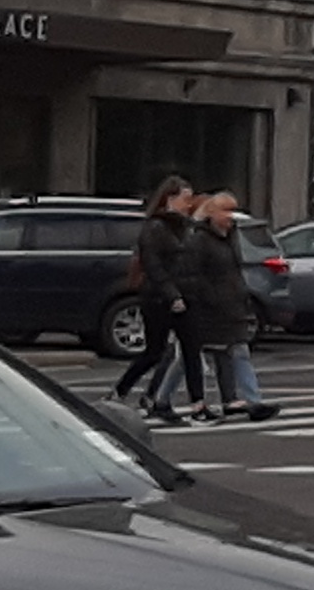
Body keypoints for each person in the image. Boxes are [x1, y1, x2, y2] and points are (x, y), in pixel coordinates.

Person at [185, 193, 275, 422]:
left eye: (232, 211)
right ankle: (161, 398)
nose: (230, 217)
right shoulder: (200, 240)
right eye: (225, 211)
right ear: (212, 213)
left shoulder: (230, 237)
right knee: (188, 357)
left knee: (234, 351)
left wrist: (241, 295)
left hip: (231, 305)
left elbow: (233, 271)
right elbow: (194, 274)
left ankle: (244, 401)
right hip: (210, 308)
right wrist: (207, 298)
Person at [115, 177, 196, 410]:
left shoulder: (184, 227)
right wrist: (172, 294)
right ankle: (122, 391)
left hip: (181, 294)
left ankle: (189, 402)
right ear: (169, 199)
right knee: (155, 351)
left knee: (187, 351)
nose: (188, 204)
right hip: (159, 297)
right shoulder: (155, 227)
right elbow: (154, 266)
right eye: (185, 199)